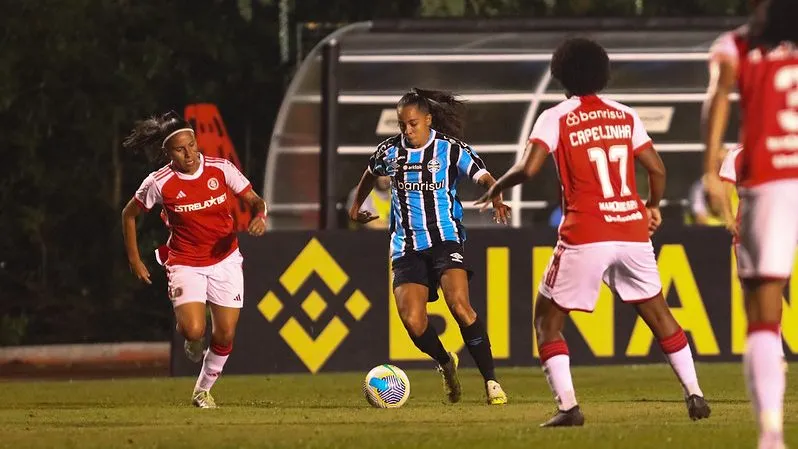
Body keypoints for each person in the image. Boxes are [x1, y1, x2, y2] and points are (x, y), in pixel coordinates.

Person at [475, 38, 710, 426]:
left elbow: (530, 168)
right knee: (658, 312)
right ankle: (695, 394)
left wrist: (498, 185)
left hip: (586, 230)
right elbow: (657, 169)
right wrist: (651, 207)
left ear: (559, 75)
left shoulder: (556, 116)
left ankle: (568, 408)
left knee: (547, 321)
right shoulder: (625, 114)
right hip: (631, 230)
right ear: (603, 74)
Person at [349, 88, 511, 405]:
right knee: (412, 321)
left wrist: (496, 195)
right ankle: (446, 363)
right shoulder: (390, 152)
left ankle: (491, 382)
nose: (407, 131)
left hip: (445, 239)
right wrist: (355, 207)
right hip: (406, 246)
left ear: (428, 119)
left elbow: (483, 175)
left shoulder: (450, 150)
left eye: (412, 124)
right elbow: (369, 173)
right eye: (402, 125)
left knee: (460, 306)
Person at [121, 111, 267, 409]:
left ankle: (202, 390)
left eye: (192, 145)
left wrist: (260, 216)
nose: (189, 153)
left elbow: (255, 200)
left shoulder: (221, 169)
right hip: (185, 261)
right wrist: (134, 259)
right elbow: (129, 215)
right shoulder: (159, 182)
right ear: (167, 153)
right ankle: (190, 334)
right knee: (194, 330)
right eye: (180, 149)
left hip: (225, 259)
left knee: (225, 332)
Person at [704, 0, 798, 439]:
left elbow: (719, 95)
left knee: (762, 313)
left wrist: (707, 168)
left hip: (773, 182)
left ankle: (771, 433)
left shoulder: (735, 45)